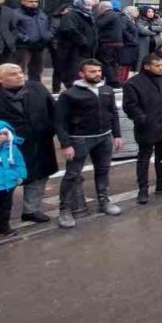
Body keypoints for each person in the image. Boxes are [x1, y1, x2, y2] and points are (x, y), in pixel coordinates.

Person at [0, 64, 57, 223]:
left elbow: (54, 111)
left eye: (21, 72)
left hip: (40, 141)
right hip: (9, 148)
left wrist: (51, 130)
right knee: (6, 180)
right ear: (0, 79)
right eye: (13, 74)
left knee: (39, 177)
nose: (20, 76)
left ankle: (31, 210)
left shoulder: (37, 88)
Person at [54, 59, 124, 228]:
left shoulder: (107, 90)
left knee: (103, 171)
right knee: (72, 175)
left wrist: (117, 135)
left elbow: (113, 113)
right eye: (92, 72)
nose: (97, 74)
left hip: (104, 137)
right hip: (80, 139)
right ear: (81, 74)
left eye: (99, 71)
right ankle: (64, 210)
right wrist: (66, 144)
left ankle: (104, 201)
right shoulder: (69, 94)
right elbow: (59, 121)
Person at [123, 54, 162, 204]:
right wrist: (142, 118)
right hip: (147, 127)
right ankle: (143, 188)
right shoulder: (133, 83)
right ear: (146, 66)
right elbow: (130, 106)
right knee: (144, 158)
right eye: (157, 66)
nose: (161, 68)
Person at [14, 0, 52, 83]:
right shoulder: (15, 13)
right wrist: (24, 38)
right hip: (23, 46)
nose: (34, 3)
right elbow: (12, 29)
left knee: (37, 70)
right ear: (23, 1)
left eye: (36, 1)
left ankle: (35, 90)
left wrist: (47, 36)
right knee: (20, 70)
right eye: (30, 1)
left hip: (40, 46)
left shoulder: (41, 14)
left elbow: (47, 27)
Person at [118, 4, 140, 83]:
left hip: (131, 47)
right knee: (123, 65)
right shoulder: (124, 19)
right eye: (135, 11)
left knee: (127, 65)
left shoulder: (132, 21)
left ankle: (124, 81)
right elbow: (123, 31)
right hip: (126, 46)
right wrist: (132, 40)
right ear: (129, 11)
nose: (137, 12)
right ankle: (120, 82)